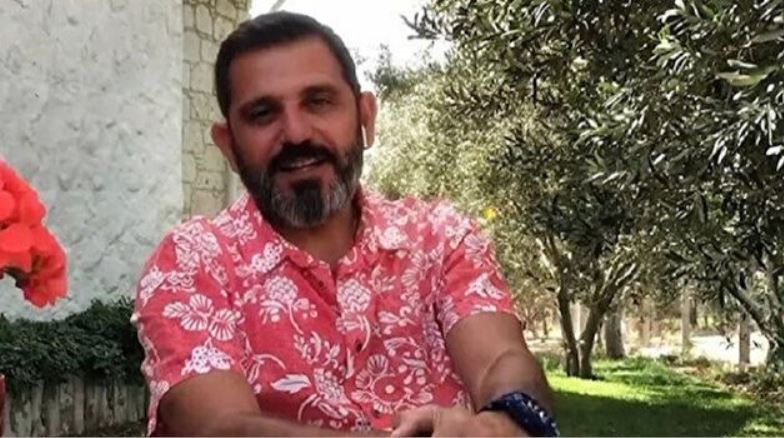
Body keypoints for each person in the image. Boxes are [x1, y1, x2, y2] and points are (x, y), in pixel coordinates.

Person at [132, 11, 557, 437]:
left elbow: (502, 359)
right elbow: (221, 428)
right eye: (262, 114)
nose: (296, 133)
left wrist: (505, 421)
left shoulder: (441, 238)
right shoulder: (193, 261)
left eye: (318, 101)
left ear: (365, 117)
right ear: (228, 145)